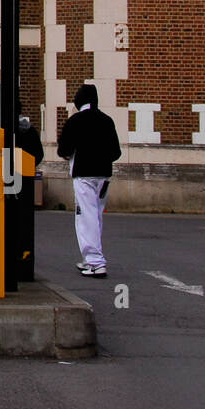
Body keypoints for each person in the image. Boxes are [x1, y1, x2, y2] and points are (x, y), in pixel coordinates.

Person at [56, 82, 121, 277]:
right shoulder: (107, 120)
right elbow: (115, 152)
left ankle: (94, 261)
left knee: (85, 216)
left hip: (84, 174)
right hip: (103, 175)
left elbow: (64, 150)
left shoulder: (76, 121)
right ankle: (92, 258)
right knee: (97, 215)